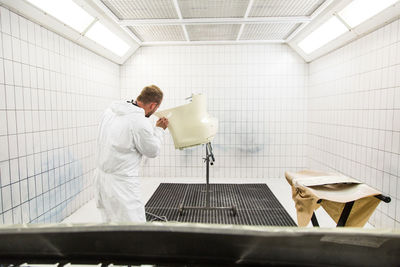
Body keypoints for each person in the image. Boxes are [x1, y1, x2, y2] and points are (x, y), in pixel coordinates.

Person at [94, 85, 168, 222]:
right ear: (153, 105)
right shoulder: (139, 121)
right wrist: (159, 130)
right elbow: (152, 151)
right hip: (122, 183)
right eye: (156, 109)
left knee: (109, 222)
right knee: (133, 225)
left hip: (102, 179)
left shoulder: (110, 111)